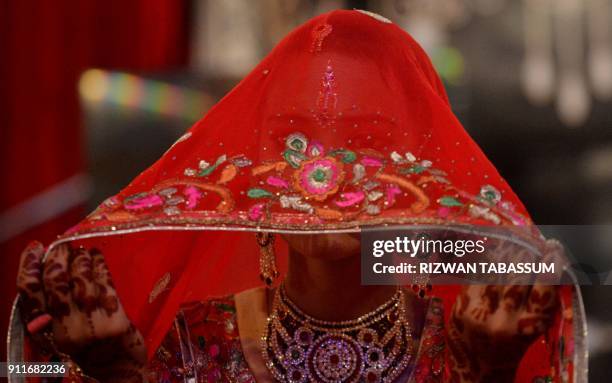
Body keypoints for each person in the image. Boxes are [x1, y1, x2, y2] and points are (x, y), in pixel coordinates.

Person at [11, 10, 585, 383]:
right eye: (295, 136)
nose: (326, 169)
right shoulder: (192, 342)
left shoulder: (477, 341)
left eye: (368, 138)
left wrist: (480, 376)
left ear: (422, 174)